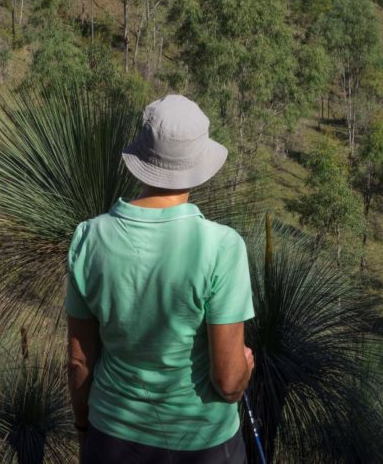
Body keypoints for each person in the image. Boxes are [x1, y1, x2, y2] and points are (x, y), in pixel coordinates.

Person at [65, 95, 256, 463]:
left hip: (112, 437)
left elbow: (79, 360)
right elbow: (229, 383)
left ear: (142, 159)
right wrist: (244, 368)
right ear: (198, 164)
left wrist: (84, 427)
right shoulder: (221, 246)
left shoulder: (89, 237)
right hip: (203, 444)